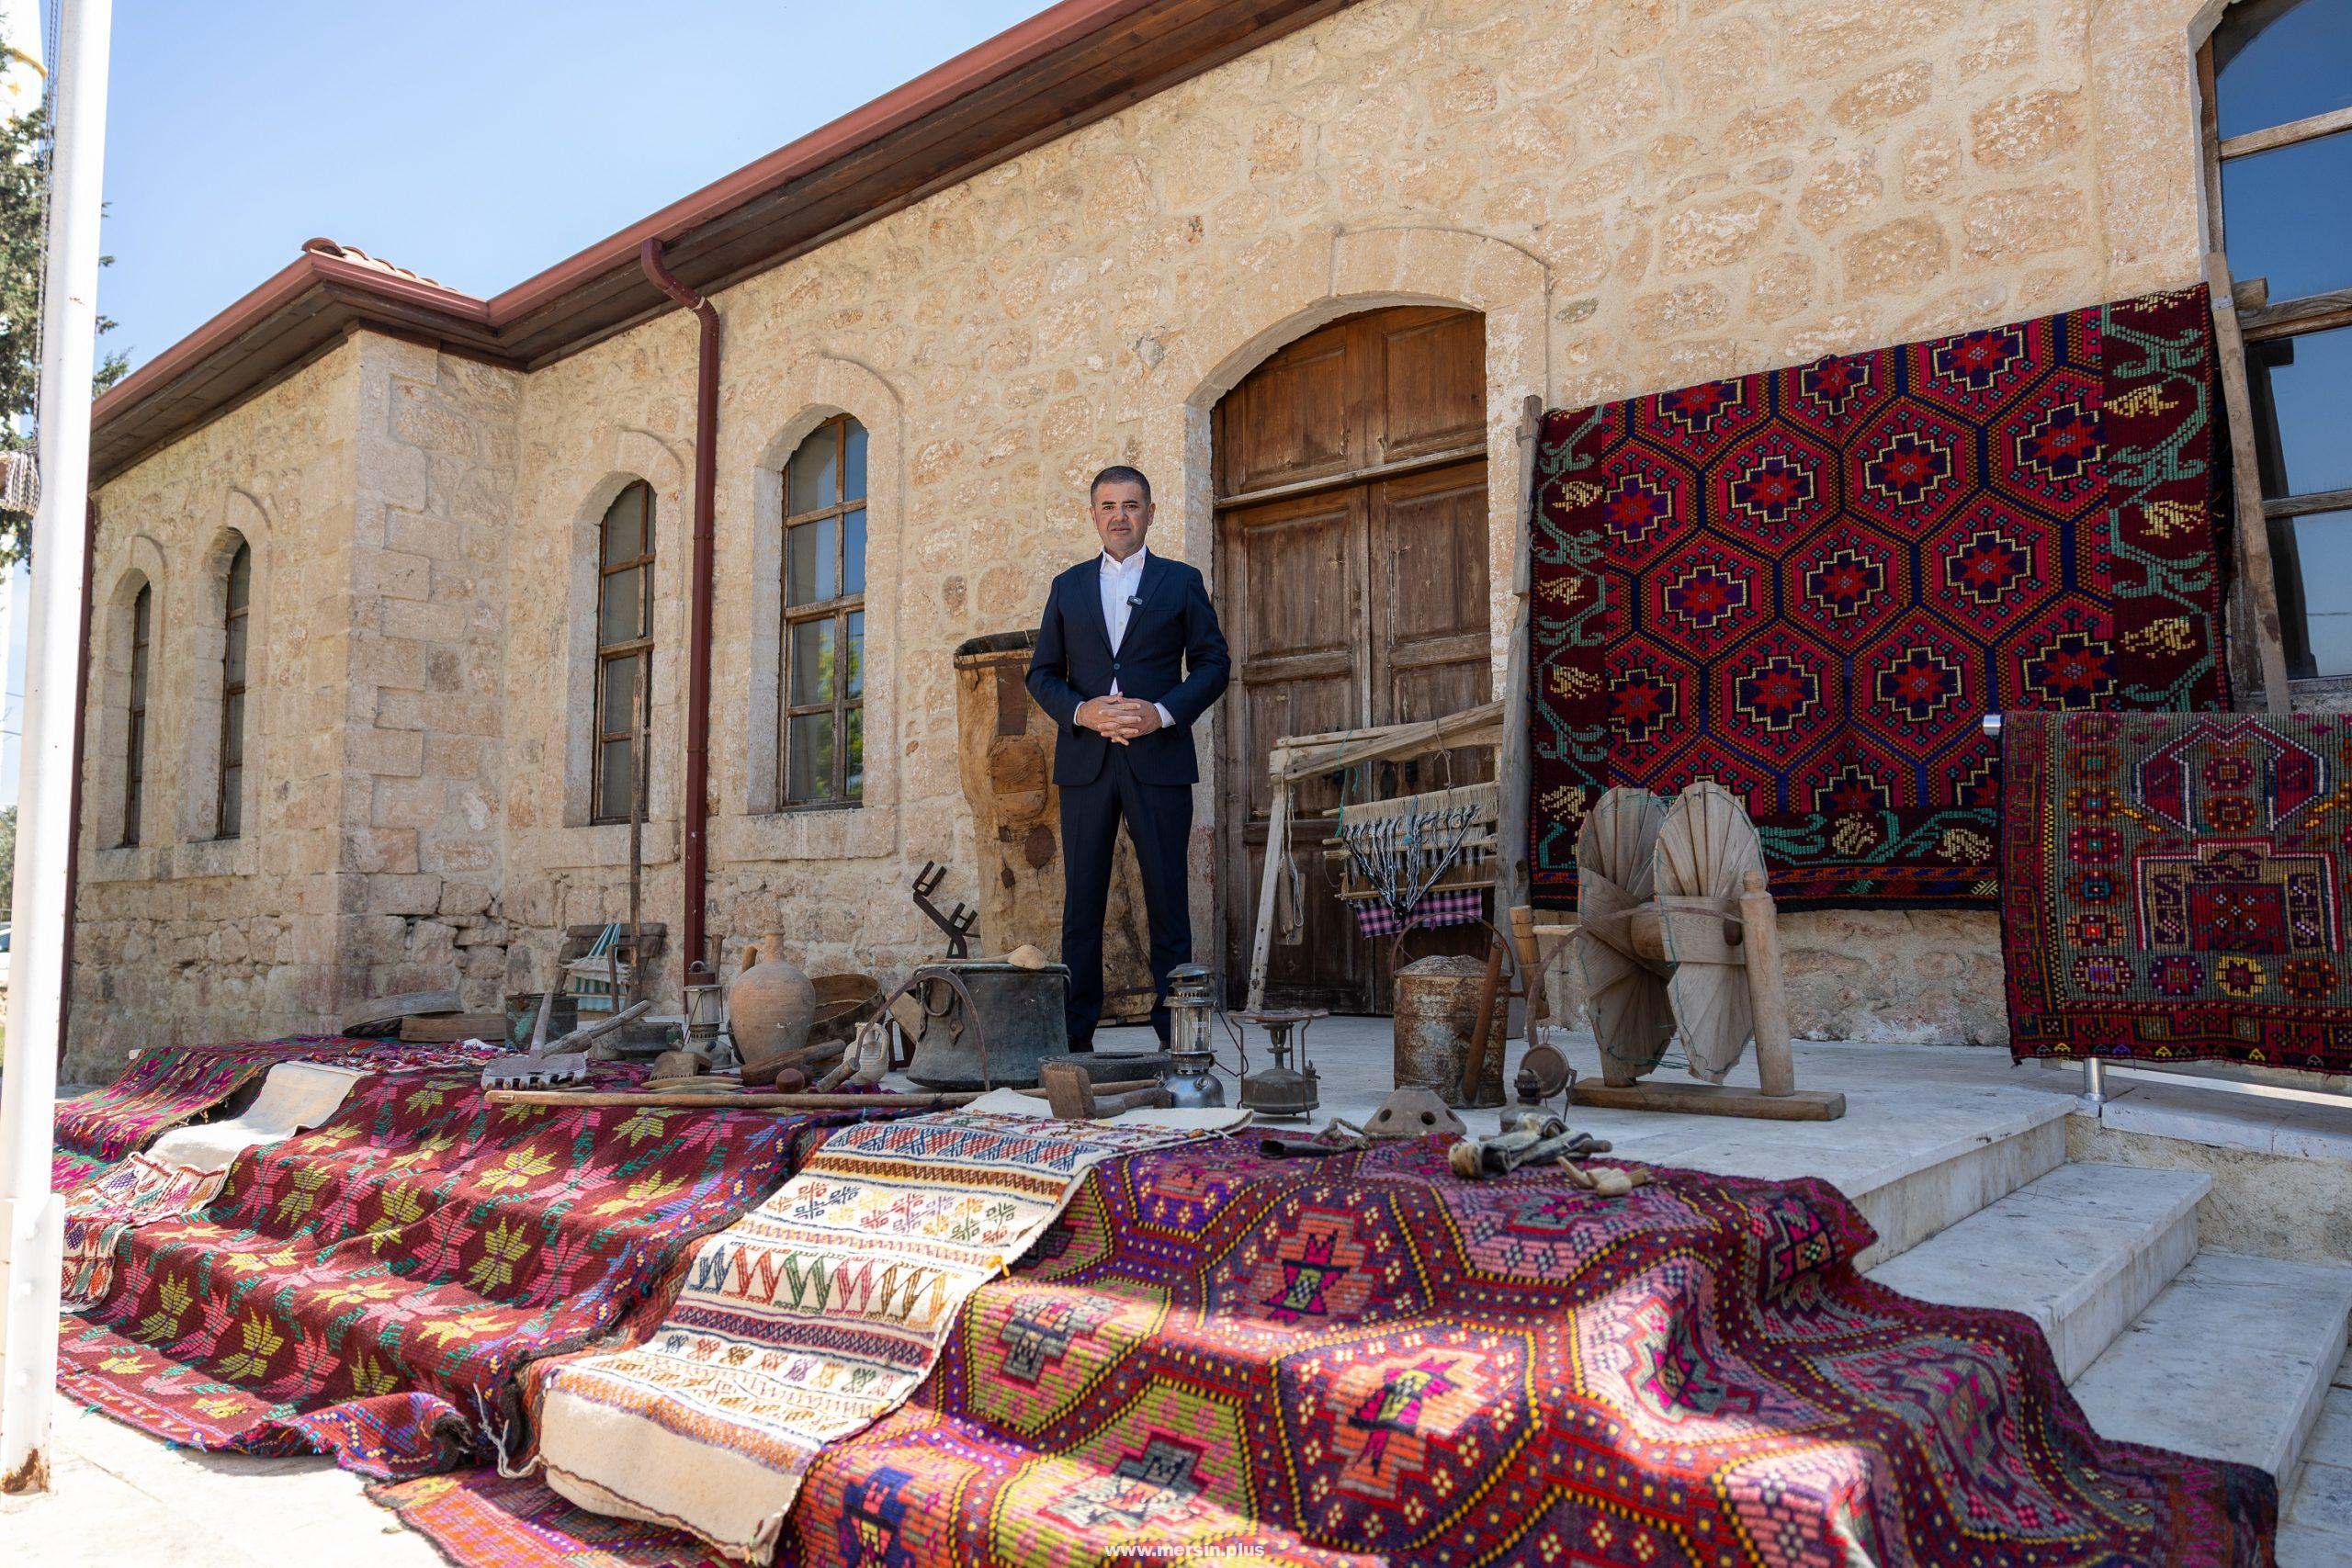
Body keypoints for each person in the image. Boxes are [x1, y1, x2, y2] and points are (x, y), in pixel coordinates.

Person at [1026, 466, 1230, 1050]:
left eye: (1131, 505)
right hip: (1086, 763)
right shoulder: (1067, 587)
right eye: (1108, 505)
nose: (1120, 515)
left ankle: (1178, 1038)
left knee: (1168, 899)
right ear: (1093, 515)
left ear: (1150, 511)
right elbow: (1041, 674)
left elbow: (1214, 664)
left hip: (1159, 760)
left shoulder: (1180, 580)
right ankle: (1076, 1038)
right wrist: (1083, 712)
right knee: (1082, 904)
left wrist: (1163, 713)